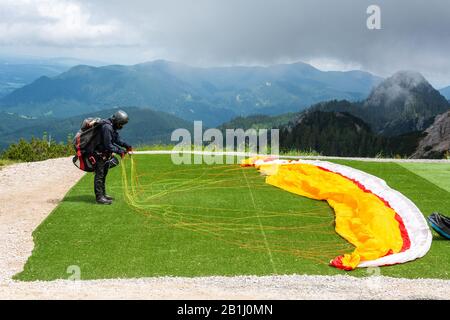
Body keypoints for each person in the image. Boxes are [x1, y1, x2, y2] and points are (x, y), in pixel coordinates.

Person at [93, 110, 132, 205]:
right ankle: (99, 197)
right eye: (121, 124)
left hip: (105, 154)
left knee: (104, 174)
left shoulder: (111, 126)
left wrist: (126, 145)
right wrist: (120, 151)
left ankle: (103, 194)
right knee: (100, 175)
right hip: (99, 154)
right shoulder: (107, 127)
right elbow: (108, 145)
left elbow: (116, 139)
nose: (121, 126)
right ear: (117, 121)